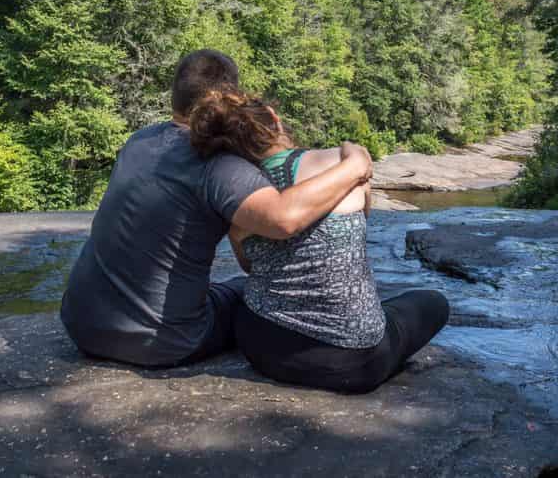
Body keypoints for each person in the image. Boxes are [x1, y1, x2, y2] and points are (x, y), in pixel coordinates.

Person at [60, 49, 374, 368]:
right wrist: (356, 165)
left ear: (176, 96)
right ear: (226, 98)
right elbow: (283, 218)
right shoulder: (217, 164)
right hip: (163, 341)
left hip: (81, 325)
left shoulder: (139, 141)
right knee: (249, 294)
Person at [187, 87, 451, 394]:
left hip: (262, 348)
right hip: (352, 362)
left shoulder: (238, 196)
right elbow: (360, 224)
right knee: (433, 302)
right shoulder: (341, 162)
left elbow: (248, 265)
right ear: (274, 119)